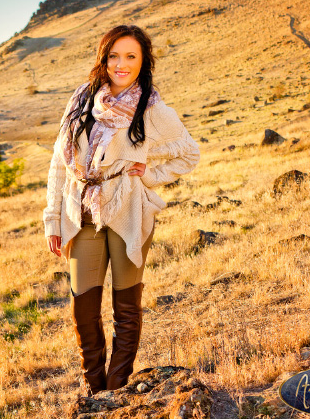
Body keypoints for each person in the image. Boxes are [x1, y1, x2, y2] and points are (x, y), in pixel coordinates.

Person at [43, 24, 200, 396]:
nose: (121, 64)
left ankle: (117, 387)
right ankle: (94, 388)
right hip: (81, 210)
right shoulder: (82, 98)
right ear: (103, 58)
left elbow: (189, 153)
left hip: (128, 210)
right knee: (84, 306)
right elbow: (57, 161)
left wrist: (149, 175)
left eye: (131, 56)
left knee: (126, 307)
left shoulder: (151, 106)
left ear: (143, 60)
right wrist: (52, 217)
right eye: (114, 55)